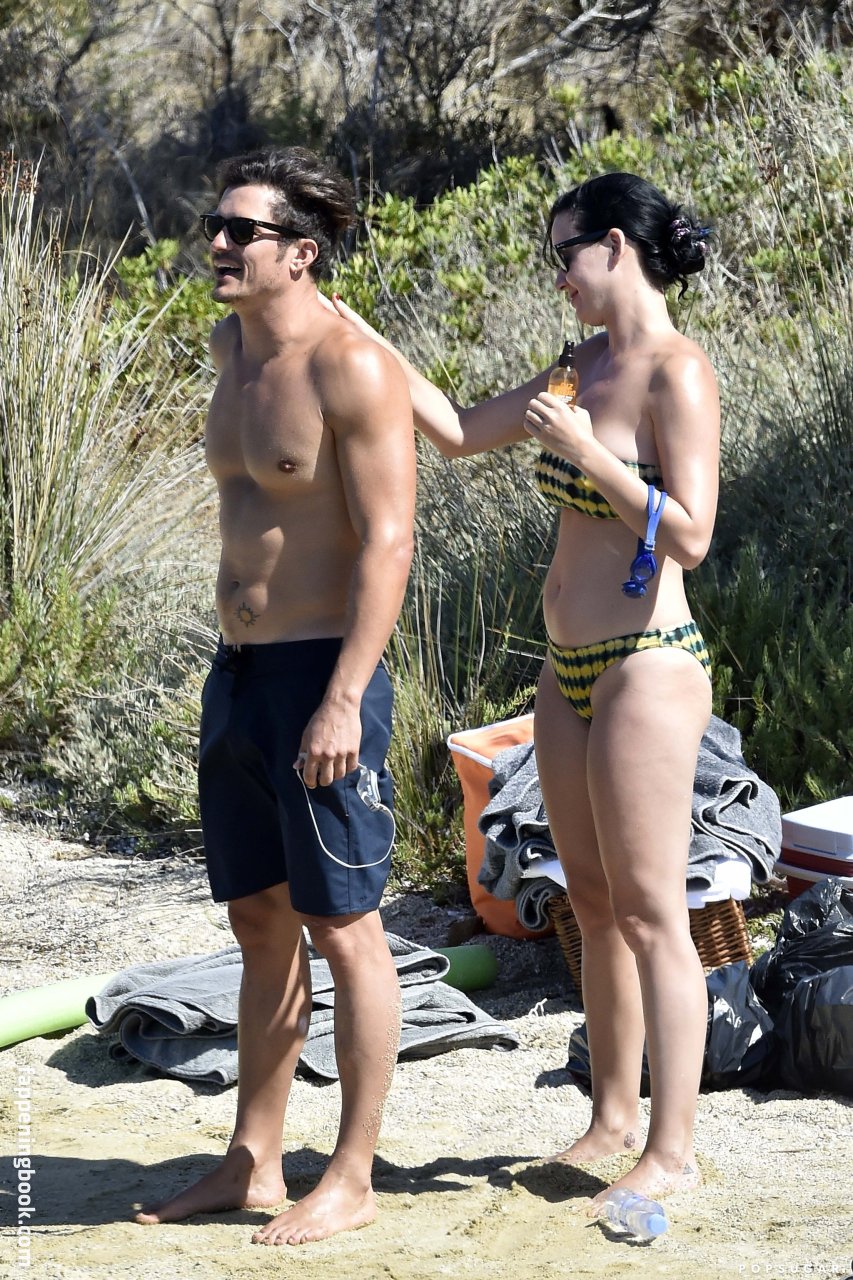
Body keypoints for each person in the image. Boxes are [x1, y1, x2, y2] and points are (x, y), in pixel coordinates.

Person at [333, 171, 719, 1205]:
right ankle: (612, 1116)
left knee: (650, 910)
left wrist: (589, 452)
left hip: (646, 662)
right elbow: (459, 432)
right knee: (588, 902)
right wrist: (359, 337)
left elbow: (690, 535)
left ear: (616, 247)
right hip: (566, 670)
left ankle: (672, 1150)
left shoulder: (676, 371)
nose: (559, 278)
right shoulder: (575, 364)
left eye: (566, 255)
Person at [135, 146, 416, 1245]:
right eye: (214, 225)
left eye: (240, 231)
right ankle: (253, 1157)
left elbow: (388, 542)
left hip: (320, 672)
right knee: (258, 918)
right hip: (240, 671)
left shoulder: (353, 368)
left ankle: (351, 1172)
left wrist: (344, 699)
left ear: (300, 253)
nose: (216, 243)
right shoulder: (229, 347)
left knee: (344, 926)